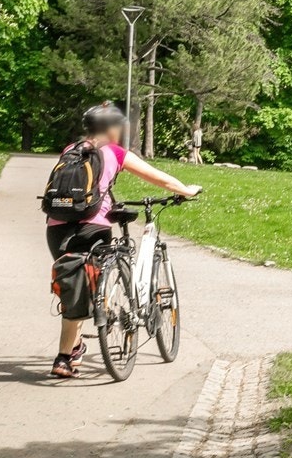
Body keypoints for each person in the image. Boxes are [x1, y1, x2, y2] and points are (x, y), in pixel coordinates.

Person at [45, 102, 202, 379]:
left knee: (75, 287)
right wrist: (186, 190)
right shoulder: (115, 152)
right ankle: (64, 357)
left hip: (56, 228)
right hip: (93, 227)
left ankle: (72, 349)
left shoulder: (70, 150)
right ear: (113, 129)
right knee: (90, 287)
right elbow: (158, 178)